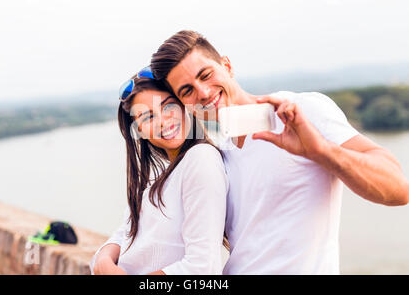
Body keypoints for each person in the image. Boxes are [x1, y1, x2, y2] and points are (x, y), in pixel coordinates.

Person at [150, 30, 409, 274]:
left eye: (205, 75)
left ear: (227, 66)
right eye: (187, 91)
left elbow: (398, 189)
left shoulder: (301, 111)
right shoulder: (216, 152)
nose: (203, 93)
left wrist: (321, 152)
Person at [90, 68, 228, 275]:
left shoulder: (201, 158)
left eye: (168, 106)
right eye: (147, 117)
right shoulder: (158, 174)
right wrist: (103, 259)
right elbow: (126, 233)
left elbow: (202, 268)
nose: (163, 121)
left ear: (184, 105)